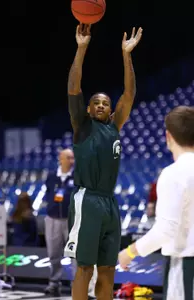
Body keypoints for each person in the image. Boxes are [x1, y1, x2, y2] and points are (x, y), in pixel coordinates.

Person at [64, 24, 142, 300]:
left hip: (109, 203)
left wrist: (126, 55)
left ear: (110, 111)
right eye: (95, 102)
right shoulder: (81, 124)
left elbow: (129, 95)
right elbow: (74, 85)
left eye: (105, 103)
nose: (100, 105)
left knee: (108, 270)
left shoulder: (114, 126)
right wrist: (82, 48)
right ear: (87, 108)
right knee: (84, 269)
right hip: (86, 200)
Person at [118, 106, 194, 300]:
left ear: (168, 136)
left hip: (187, 265)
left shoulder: (173, 173)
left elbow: (166, 229)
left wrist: (129, 252)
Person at [44, 149, 75, 296]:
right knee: (53, 253)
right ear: (60, 159)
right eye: (68, 158)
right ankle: (54, 283)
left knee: (75, 254)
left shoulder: (78, 176)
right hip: (53, 220)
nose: (72, 161)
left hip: (71, 220)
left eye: (73, 158)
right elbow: (48, 194)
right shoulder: (51, 176)